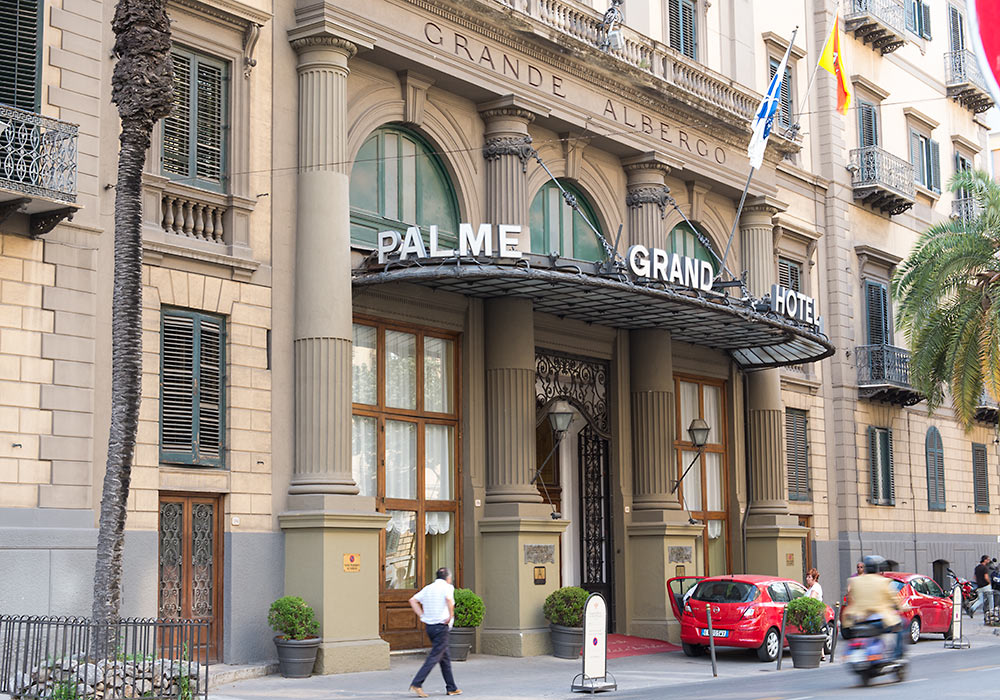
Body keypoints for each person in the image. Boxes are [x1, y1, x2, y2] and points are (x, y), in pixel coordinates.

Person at [408, 567, 462, 697]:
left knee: (445, 657)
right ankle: (417, 683)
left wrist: (422, 615)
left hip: (430, 627)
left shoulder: (428, 588)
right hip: (441, 626)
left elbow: (412, 600)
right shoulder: (448, 587)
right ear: (448, 578)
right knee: (434, 656)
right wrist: (451, 615)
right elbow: (449, 600)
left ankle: (451, 687)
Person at [843, 555, 908, 661]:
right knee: (902, 624)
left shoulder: (854, 581)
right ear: (877, 569)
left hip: (859, 620)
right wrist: (901, 607)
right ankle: (897, 655)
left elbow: (851, 597)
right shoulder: (883, 582)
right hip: (879, 620)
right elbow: (893, 598)